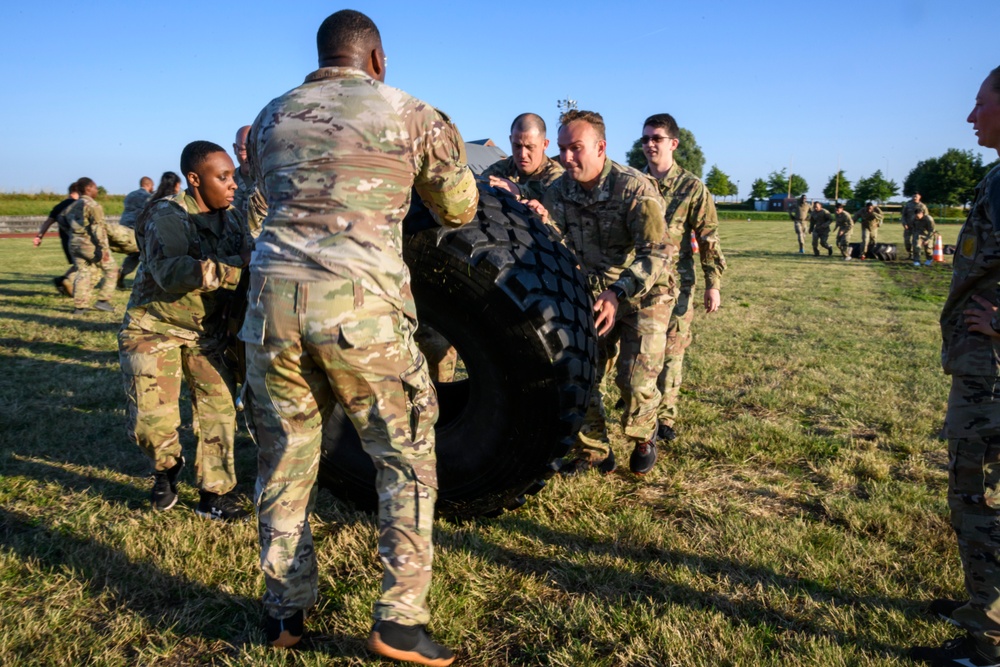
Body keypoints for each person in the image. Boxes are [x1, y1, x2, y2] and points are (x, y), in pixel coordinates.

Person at [241, 10, 477, 665]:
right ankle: (400, 620)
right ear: (376, 58)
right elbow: (459, 206)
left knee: (284, 460)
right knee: (404, 456)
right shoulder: (409, 111)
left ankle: (285, 611)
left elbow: (260, 199)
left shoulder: (270, 116)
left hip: (272, 308)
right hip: (361, 310)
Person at [909, 65, 1000, 667]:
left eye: (979, 103)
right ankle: (985, 605)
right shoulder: (997, 179)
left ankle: (987, 643)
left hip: (994, 372)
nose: (970, 117)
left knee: (981, 496)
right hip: (983, 365)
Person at [532, 109, 675, 476]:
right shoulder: (558, 191)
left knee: (634, 381)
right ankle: (593, 451)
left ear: (601, 148)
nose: (566, 158)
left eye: (576, 148)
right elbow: (556, 244)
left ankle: (645, 434)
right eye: (562, 149)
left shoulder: (635, 188)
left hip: (645, 294)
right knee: (580, 372)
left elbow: (656, 252)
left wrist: (617, 291)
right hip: (593, 296)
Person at [118, 142, 250, 523]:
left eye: (232, 176)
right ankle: (165, 468)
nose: (232, 185)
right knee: (151, 422)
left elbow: (253, 256)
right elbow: (172, 272)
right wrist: (235, 268)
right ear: (194, 180)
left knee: (218, 413)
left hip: (206, 334)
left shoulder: (235, 218)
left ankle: (215, 494)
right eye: (222, 177)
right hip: (154, 328)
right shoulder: (167, 214)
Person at [637, 113, 725, 445]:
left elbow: (709, 238)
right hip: (638, 282)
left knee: (672, 351)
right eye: (645, 139)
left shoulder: (692, 188)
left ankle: (666, 416)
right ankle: (638, 403)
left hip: (676, 285)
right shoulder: (634, 182)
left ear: (673, 143)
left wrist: (713, 284)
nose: (649, 145)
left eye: (656, 139)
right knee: (640, 351)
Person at [63, 177, 118, 314]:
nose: (96, 190)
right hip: (89, 244)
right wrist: (103, 247)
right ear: (89, 188)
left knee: (83, 272)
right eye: (95, 187)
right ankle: (103, 300)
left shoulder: (72, 206)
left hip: (74, 243)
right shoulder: (93, 206)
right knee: (112, 268)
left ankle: (80, 307)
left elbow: (61, 219)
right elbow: (98, 228)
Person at [482, 113, 564, 201]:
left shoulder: (557, 178)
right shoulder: (499, 169)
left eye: (530, 147)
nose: (522, 154)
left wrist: (520, 192)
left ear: (545, 144)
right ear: (510, 140)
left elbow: (556, 208)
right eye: (517, 146)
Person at [34, 182, 80, 295]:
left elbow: (47, 222)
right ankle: (66, 281)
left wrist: (39, 236)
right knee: (86, 263)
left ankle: (62, 281)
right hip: (78, 240)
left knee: (78, 264)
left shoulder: (59, 206)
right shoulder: (79, 205)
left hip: (65, 241)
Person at [232, 125, 267, 239]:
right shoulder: (223, 184)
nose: (249, 156)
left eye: (254, 149)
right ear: (235, 149)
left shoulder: (272, 182)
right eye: (243, 150)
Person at [901, 192, 930, 259]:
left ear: (919, 197)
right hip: (908, 226)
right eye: (913, 196)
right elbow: (903, 216)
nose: (914, 198)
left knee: (915, 242)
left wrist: (924, 226)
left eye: (916, 196)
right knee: (907, 241)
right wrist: (904, 223)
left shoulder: (922, 206)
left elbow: (926, 217)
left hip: (918, 227)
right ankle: (910, 253)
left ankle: (915, 255)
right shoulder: (908, 205)